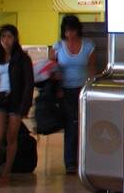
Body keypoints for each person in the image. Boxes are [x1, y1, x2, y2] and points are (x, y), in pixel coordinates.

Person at [39, 15, 97, 175]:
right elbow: (50, 68)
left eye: (72, 30)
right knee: (71, 125)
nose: (70, 34)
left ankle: (84, 159)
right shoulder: (58, 47)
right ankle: (71, 162)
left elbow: (92, 68)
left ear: (78, 30)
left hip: (83, 89)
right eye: (67, 31)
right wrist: (56, 87)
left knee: (83, 125)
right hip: (63, 91)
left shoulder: (88, 46)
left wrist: (92, 87)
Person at [0, 24, 34, 181]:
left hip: (15, 100)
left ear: (15, 38)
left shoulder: (22, 58)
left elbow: (28, 83)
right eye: (3, 37)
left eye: (10, 37)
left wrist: (25, 105)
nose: (6, 40)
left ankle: (6, 172)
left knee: (11, 137)